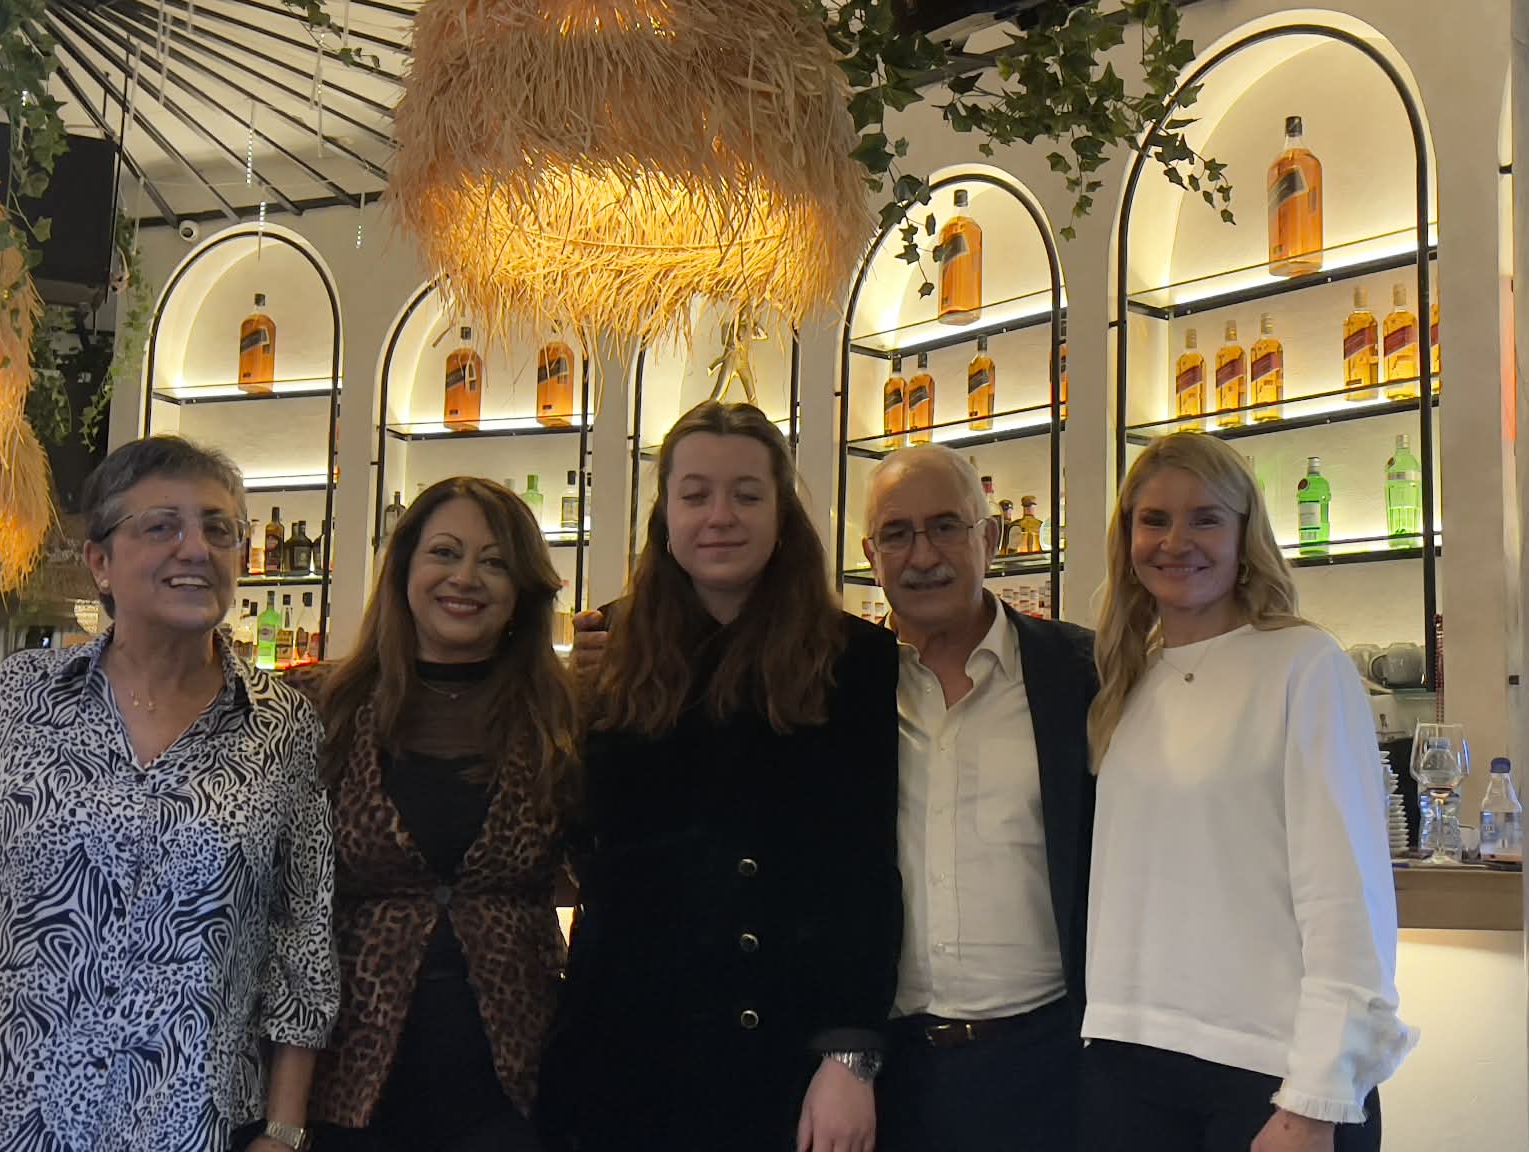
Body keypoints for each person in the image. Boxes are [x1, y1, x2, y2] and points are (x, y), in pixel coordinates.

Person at [0, 435, 337, 1152]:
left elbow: (302, 939)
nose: (195, 548)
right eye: (162, 526)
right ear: (100, 563)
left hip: (186, 1126)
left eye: (219, 529)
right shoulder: (21, 697)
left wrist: (283, 1128)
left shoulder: (282, 726)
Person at [537, 401, 902, 1152]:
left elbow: (865, 868)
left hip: (788, 1051)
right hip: (625, 1051)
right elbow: (581, 840)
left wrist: (850, 1052)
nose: (720, 517)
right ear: (665, 516)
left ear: (782, 514)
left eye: (747, 494)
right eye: (696, 494)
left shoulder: (856, 661)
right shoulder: (607, 649)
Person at [1078, 433, 1415, 1152]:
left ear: (1244, 536)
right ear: (1127, 540)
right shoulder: (1127, 680)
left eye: (1205, 519)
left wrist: (1315, 1100)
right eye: (1153, 520)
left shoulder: (1304, 664)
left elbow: (1347, 901)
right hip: (1126, 1057)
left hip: (1270, 1075)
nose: (1176, 542)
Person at [281, 479, 577, 1152]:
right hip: (344, 1081)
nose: (465, 577)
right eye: (444, 552)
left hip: (516, 1085)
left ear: (522, 590)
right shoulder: (318, 706)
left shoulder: (563, 717)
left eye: (495, 562)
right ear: (404, 568)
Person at [858, 444, 1097, 1152]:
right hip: (887, 1075)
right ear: (871, 555)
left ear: (990, 538)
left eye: (945, 526)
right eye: (897, 534)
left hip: (1050, 1063)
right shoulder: (837, 686)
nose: (922, 554)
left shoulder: (1082, 673)